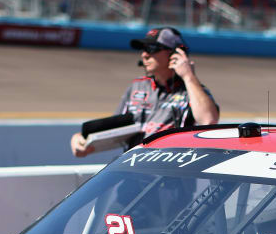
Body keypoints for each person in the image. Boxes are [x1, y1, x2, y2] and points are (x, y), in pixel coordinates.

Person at [70, 26, 219, 157]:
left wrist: (188, 76)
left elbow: (208, 120)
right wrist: (83, 138)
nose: (144, 55)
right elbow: (116, 130)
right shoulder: (137, 86)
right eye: (143, 49)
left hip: (172, 179)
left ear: (175, 54)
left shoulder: (193, 90)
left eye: (152, 49)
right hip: (135, 171)